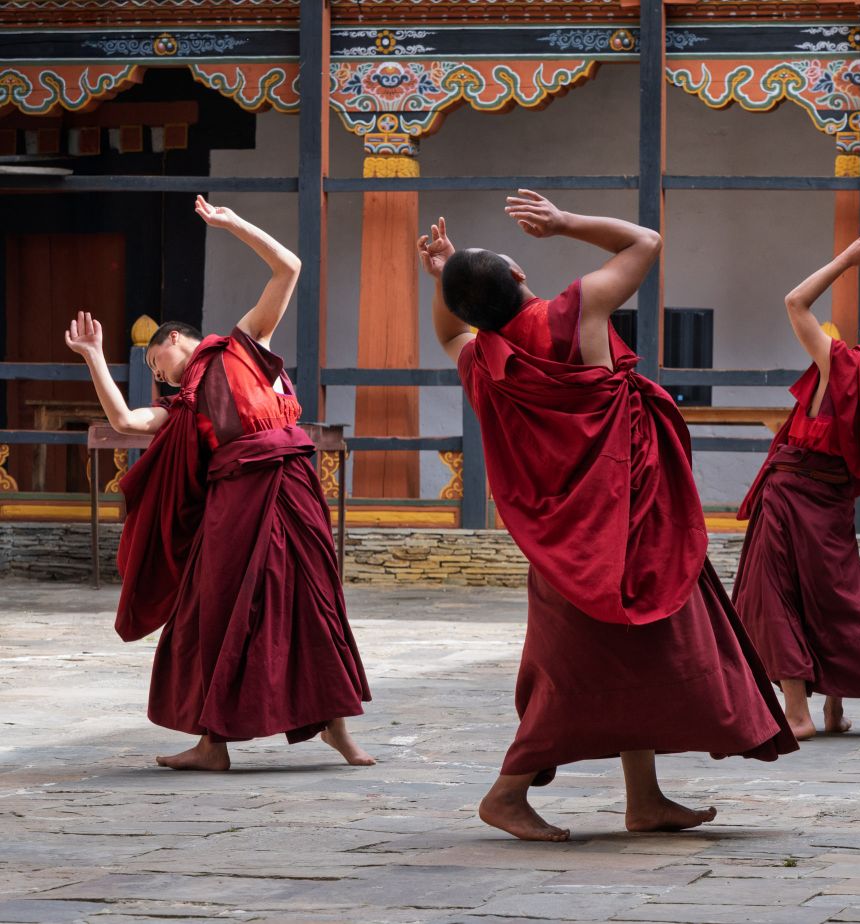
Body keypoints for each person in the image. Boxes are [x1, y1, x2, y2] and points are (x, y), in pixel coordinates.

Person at [418, 193, 796, 842]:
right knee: (582, 669)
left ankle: (643, 798)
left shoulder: (487, 361)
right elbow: (644, 242)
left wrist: (446, 276)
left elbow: (452, 331)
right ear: (517, 277)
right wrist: (563, 223)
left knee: (633, 658)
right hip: (628, 525)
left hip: (565, 540)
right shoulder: (572, 313)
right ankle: (507, 792)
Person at [64, 196, 372, 772]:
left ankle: (336, 725)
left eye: (157, 364)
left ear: (177, 340)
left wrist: (233, 225)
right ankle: (213, 744)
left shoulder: (243, 344)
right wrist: (93, 358)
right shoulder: (180, 409)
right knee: (213, 613)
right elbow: (128, 423)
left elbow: (290, 268)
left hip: (290, 486)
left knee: (314, 603)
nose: (157, 377)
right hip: (234, 507)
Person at [733, 234, 860, 740]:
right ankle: (832, 710)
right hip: (830, 504)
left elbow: (795, 301)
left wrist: (846, 261)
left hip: (792, 494)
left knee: (777, 593)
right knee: (831, 591)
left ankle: (797, 714)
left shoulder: (840, 363)